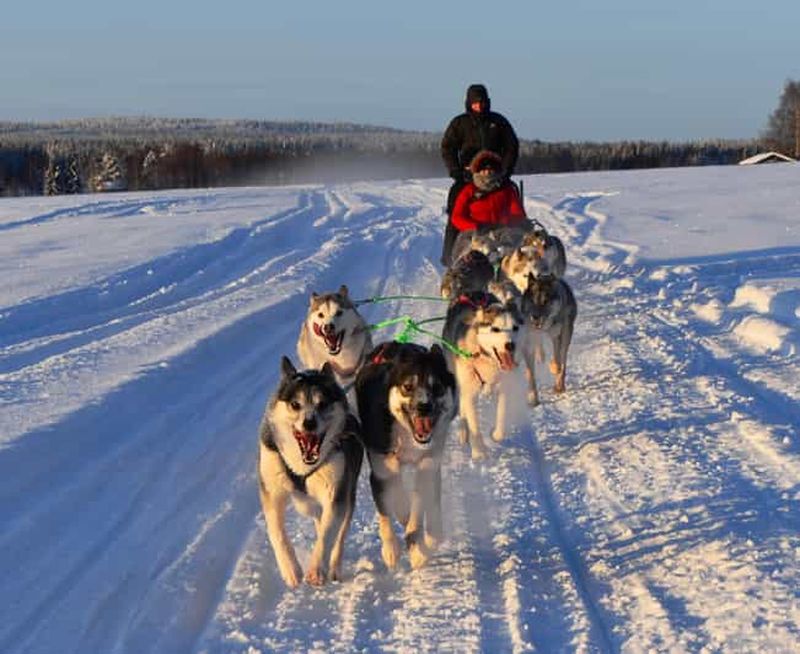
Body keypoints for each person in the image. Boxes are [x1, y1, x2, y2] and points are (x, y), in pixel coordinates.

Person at [440, 83, 519, 265]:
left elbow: (511, 146)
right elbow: (447, 147)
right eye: (475, 103)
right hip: (467, 176)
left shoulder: (498, 122)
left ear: (487, 102)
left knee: (513, 210)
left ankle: (515, 257)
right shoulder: (460, 123)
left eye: (482, 102)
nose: (479, 106)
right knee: (455, 212)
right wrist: (456, 171)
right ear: (469, 103)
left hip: (497, 174)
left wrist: (506, 170)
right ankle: (449, 259)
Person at [450, 150, 526, 233]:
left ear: (497, 170)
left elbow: (518, 214)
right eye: (483, 169)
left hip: (504, 233)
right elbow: (457, 217)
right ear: (477, 171)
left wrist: (505, 224)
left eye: (491, 169)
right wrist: (476, 226)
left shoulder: (507, 190)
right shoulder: (469, 191)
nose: (487, 172)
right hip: (475, 234)